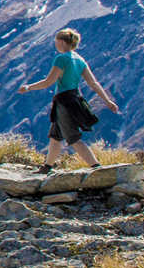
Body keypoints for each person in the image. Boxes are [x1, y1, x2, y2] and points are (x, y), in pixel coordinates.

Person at [16, 27, 120, 167]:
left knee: (73, 138)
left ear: (63, 42)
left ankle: (96, 166)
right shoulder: (80, 60)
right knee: (55, 136)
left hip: (64, 102)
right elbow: (93, 83)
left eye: (56, 41)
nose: (55, 44)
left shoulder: (61, 59)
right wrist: (107, 100)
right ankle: (47, 167)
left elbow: (48, 82)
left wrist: (29, 87)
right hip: (75, 99)